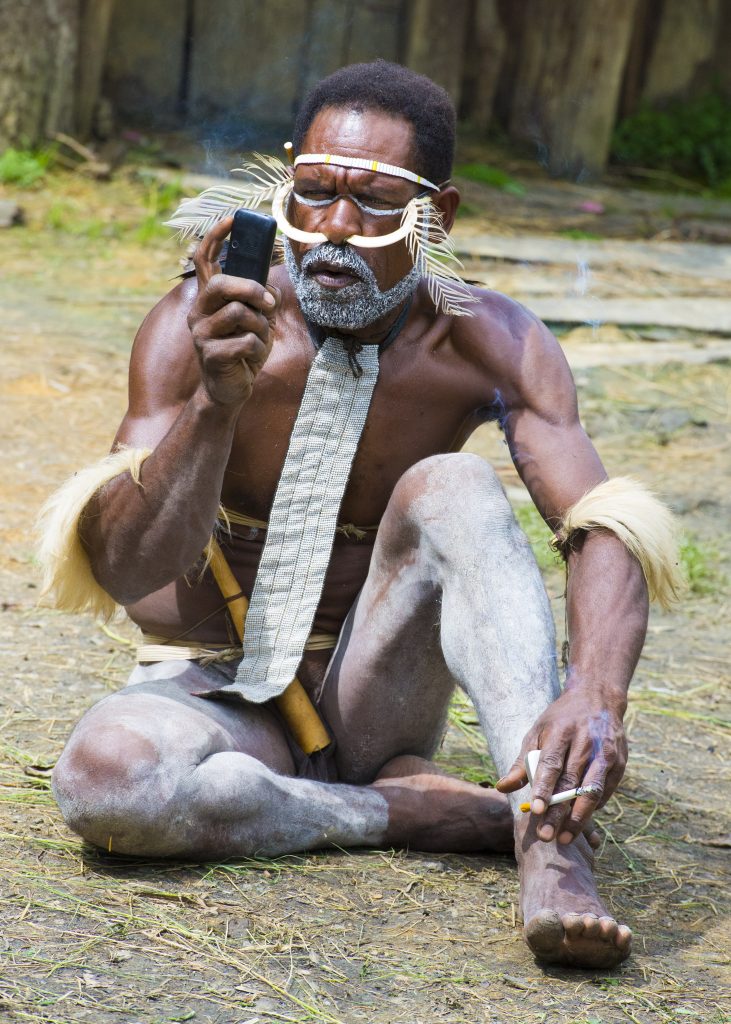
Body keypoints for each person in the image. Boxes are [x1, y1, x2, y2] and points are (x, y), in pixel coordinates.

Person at [40, 60, 679, 970]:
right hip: (216, 689)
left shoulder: (488, 339)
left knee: (455, 489)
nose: (335, 229)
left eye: (375, 202)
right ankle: (395, 812)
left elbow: (601, 522)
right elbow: (126, 569)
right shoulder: (203, 319)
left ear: (439, 213)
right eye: (316, 195)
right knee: (107, 786)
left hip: (376, 689)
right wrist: (217, 403)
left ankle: (546, 843)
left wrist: (596, 695)